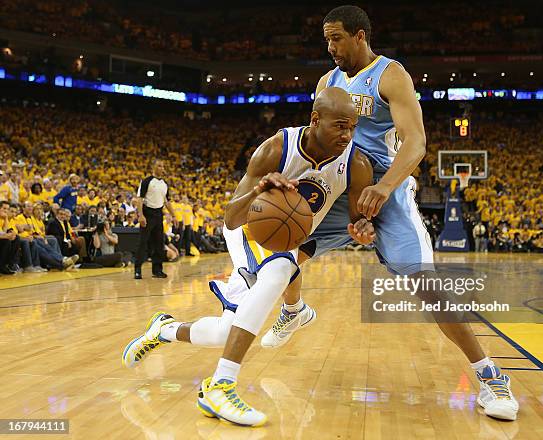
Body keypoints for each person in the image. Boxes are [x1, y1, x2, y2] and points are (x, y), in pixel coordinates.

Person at [261, 5, 518, 421]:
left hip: (384, 185)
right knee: (283, 254)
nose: (330, 47)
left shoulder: (390, 74)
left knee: (425, 285)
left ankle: (489, 375)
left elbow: (415, 142)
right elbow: (317, 137)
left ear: (360, 36)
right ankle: (294, 311)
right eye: (326, 39)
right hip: (337, 184)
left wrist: (383, 187)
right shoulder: (327, 81)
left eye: (336, 38)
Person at [122, 87, 375, 426]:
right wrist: (259, 191)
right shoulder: (276, 149)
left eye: (352, 127)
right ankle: (220, 385)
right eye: (340, 126)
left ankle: (164, 329)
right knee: (280, 269)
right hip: (249, 228)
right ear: (315, 120)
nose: (347, 135)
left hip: (285, 238)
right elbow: (230, 217)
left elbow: (357, 219)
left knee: (229, 333)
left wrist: (362, 229)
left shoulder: (356, 164)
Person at [134, 160, 176, 279]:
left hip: (158, 214)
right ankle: (137, 269)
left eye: (163, 166)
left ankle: (157, 270)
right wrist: (141, 215)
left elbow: (167, 202)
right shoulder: (147, 181)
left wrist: (174, 215)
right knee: (143, 242)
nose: (162, 168)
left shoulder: (164, 184)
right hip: (147, 213)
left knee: (159, 243)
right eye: (159, 165)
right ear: (153, 167)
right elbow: (140, 199)